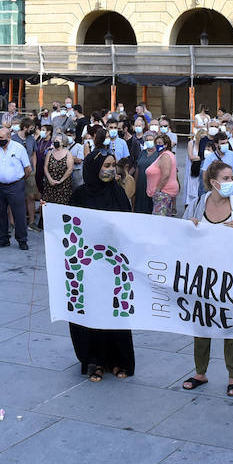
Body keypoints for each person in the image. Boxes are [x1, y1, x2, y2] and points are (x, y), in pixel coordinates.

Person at [181, 161, 233, 395]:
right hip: (202, 276)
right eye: (227, 179)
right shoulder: (197, 204)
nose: (232, 182)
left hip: (232, 277)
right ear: (214, 182)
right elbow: (180, 234)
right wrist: (189, 227)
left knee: (232, 326)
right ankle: (200, 372)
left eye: (232, 178)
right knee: (201, 324)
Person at [66, 150, 136, 381]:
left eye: (113, 165)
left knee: (115, 312)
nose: (110, 169)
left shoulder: (118, 194)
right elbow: (69, 226)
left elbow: (128, 227)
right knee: (92, 313)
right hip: (88, 267)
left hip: (113, 267)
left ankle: (118, 360)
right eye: (106, 165)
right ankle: (96, 361)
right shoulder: (80, 195)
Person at [0, 126, 32, 250]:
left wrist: (19, 180)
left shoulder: (18, 148)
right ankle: (3, 239)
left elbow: (28, 168)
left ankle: (22, 240)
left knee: (19, 214)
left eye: (1, 137)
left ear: (9, 137)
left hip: (15, 185)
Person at [146, 133, 179, 217]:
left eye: (160, 143)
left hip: (163, 193)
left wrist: (157, 190)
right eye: (156, 143)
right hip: (163, 193)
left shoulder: (165, 156)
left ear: (166, 145)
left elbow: (166, 175)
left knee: (159, 220)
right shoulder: (163, 155)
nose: (157, 145)